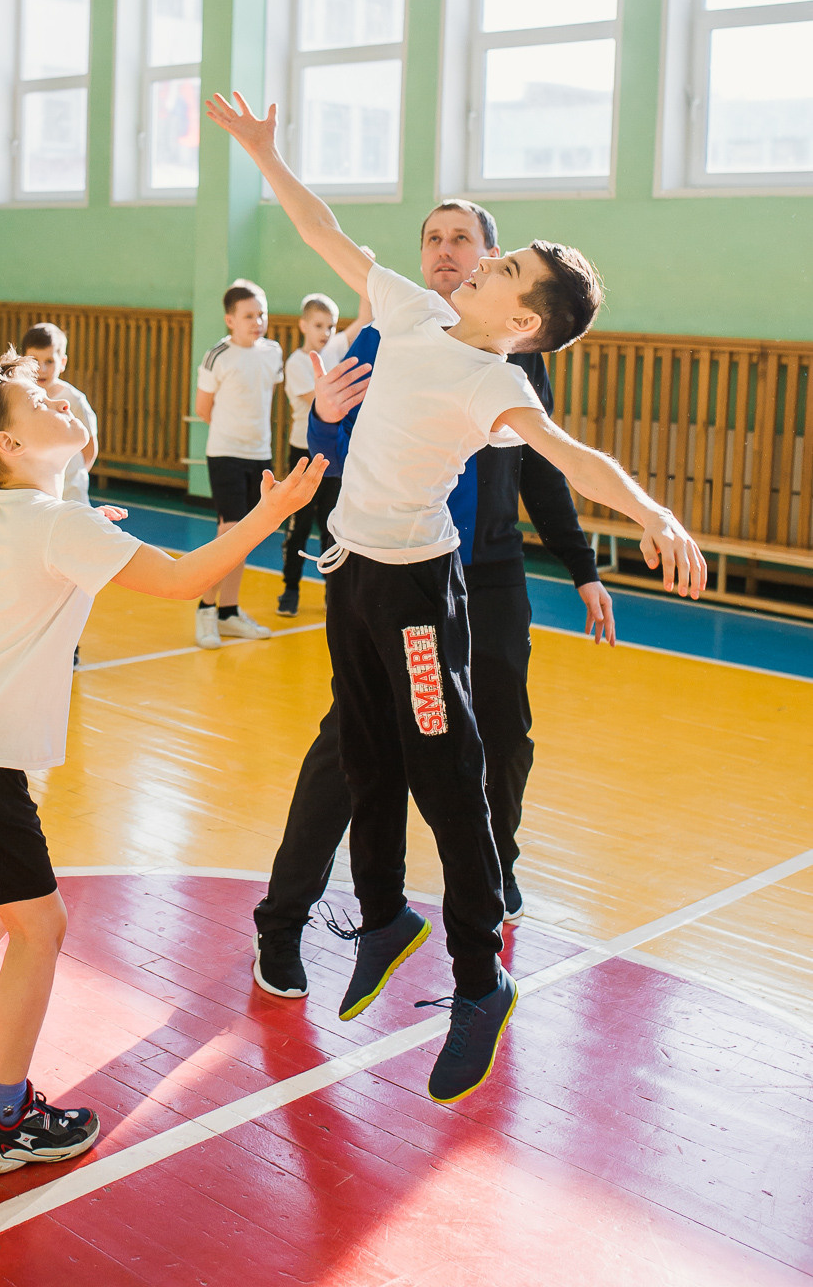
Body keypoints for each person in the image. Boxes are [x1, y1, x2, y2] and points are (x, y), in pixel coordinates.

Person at [206, 90, 705, 1106]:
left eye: (504, 265)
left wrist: (649, 511)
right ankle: (384, 920)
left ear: (519, 319)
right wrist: (264, 155)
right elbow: (323, 232)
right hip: (352, 576)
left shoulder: (500, 389)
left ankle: (480, 981)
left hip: (417, 595)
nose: (480, 261)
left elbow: (574, 457)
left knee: (448, 778)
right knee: (359, 751)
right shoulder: (410, 309)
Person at [0, 349, 327, 1174]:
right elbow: (189, 576)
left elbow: (50, 559)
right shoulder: (54, 524)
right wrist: (276, 510)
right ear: (10, 447)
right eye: (39, 400)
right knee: (40, 927)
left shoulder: (9, 512)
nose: (59, 400)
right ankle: (5, 1123)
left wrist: (89, 535)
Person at [254, 198, 614, 999]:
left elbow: (547, 470)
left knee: (499, 742)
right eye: (433, 238)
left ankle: (490, 890)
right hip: (397, 575)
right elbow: (335, 457)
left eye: (464, 240)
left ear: (489, 262)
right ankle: (284, 924)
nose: (448, 251)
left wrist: (583, 565)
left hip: (486, 577)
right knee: (351, 754)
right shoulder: (391, 330)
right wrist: (321, 416)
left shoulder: (510, 356)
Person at [192, 278, 284, 648]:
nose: (257, 321)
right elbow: (203, 408)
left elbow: (266, 399)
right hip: (225, 454)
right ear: (230, 319)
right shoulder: (218, 356)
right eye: (248, 315)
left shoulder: (273, 352)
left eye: (261, 313)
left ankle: (229, 613)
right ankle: (205, 607)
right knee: (229, 530)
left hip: (259, 455)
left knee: (245, 537)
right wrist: (232, 436)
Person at [277, 284, 371, 618]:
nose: (326, 332)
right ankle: (290, 589)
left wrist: (365, 278)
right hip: (304, 452)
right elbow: (318, 403)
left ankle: (334, 593)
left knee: (333, 524)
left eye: (330, 325)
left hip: (333, 455)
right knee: (299, 524)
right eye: (318, 325)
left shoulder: (334, 350)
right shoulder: (298, 362)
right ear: (303, 325)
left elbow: (364, 319)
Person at [21, 323, 98, 506]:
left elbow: (90, 447)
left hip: (70, 490)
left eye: (49, 361)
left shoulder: (75, 400)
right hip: (36, 487)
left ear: (62, 363)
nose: (42, 369)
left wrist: (76, 475)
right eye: (34, 361)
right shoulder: (21, 397)